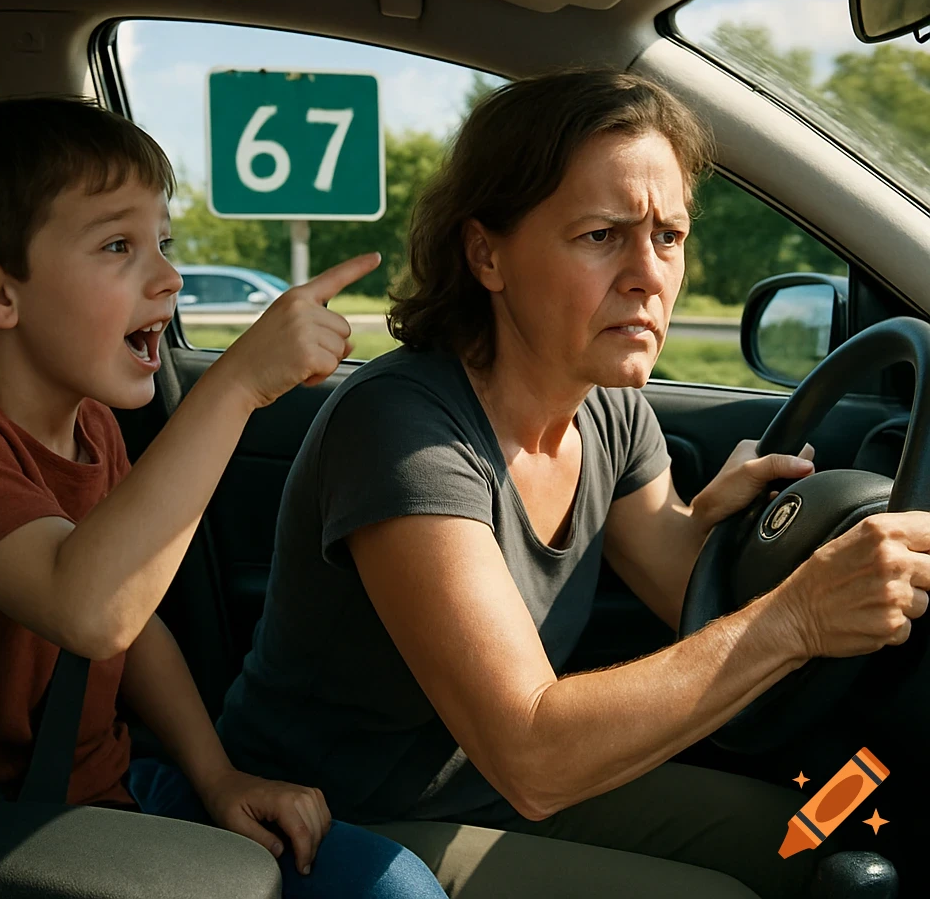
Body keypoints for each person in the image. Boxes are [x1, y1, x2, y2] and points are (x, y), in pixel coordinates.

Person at [216, 68, 930, 899]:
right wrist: (801, 611)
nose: (648, 275)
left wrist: (738, 530)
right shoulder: (404, 429)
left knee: (823, 833)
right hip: (341, 823)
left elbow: (683, 593)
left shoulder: (609, 410)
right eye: (601, 235)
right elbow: (533, 757)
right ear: (487, 253)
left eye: (669, 235)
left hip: (490, 792)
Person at [0, 96, 450, 899]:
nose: (168, 277)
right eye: (120, 246)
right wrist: (234, 384)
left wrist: (218, 776)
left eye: (164, 242)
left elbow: (137, 626)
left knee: (390, 883)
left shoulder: (89, 423)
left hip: (114, 792)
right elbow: (90, 611)